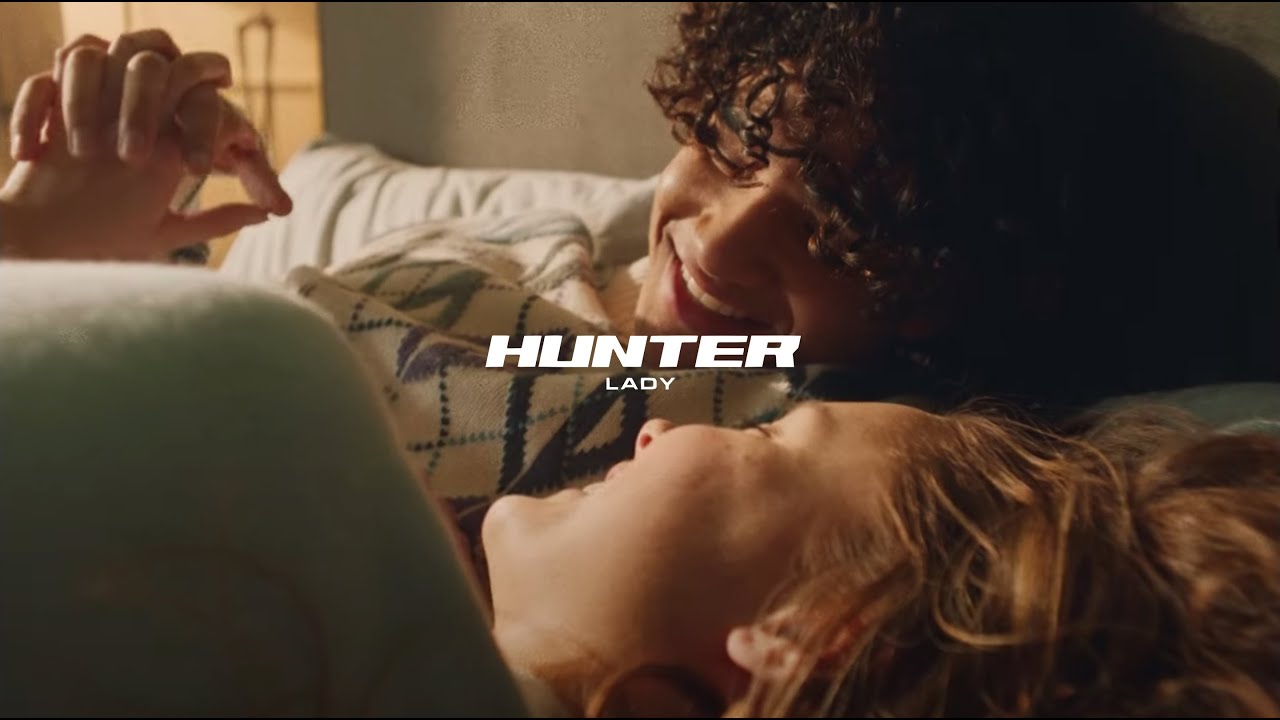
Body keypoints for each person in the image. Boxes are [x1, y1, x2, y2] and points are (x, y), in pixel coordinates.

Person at [5, 4, 1278, 404]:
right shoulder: (518, 245)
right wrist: (73, 249)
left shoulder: (764, 431)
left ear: (951, 288)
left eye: (844, 223)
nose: (720, 237)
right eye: (738, 143)